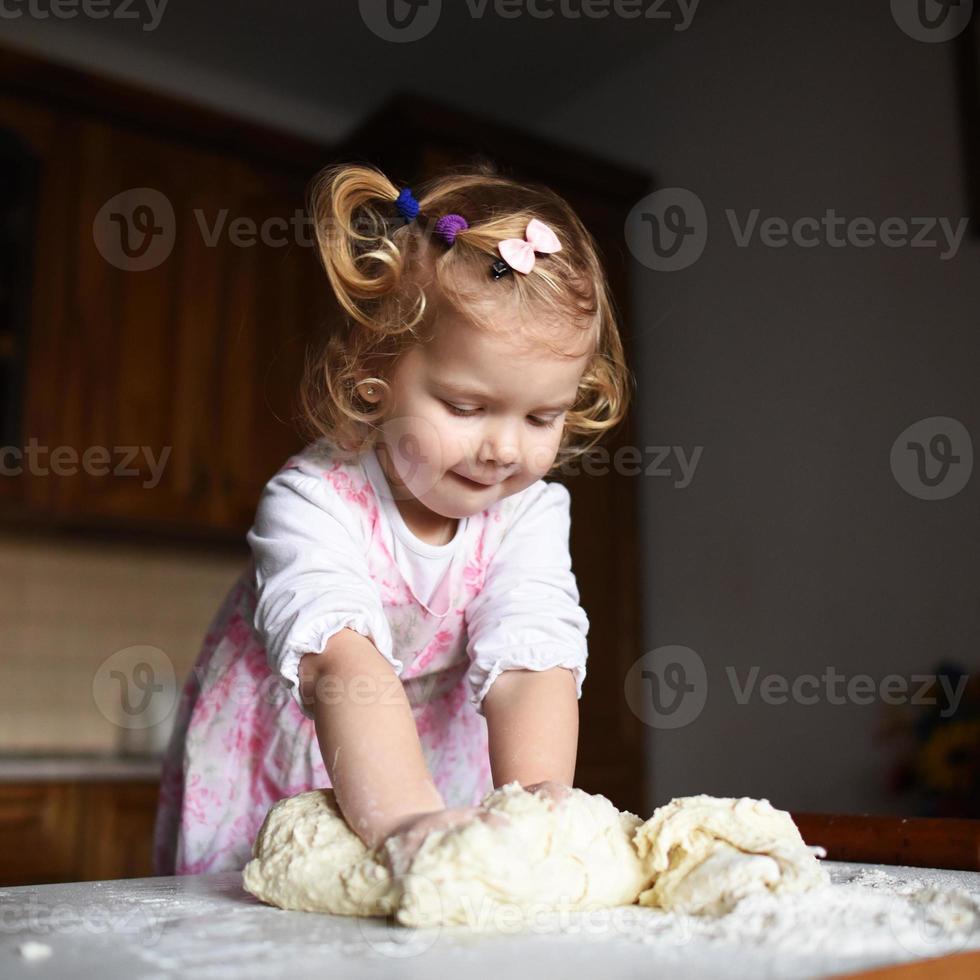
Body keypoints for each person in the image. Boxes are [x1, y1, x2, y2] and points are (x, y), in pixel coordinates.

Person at [152, 160, 632, 876]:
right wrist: (409, 825)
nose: (503, 448)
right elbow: (341, 669)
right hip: (294, 764)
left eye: (542, 416)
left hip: (435, 768)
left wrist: (538, 812)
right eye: (466, 407)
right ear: (376, 370)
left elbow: (530, 667)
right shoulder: (313, 501)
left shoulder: (529, 513)